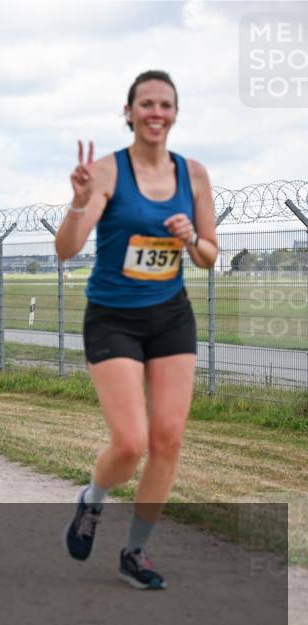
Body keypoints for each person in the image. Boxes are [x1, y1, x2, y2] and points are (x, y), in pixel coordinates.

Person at [56, 71, 218, 590]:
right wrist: (80, 200)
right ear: (128, 112)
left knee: (168, 440)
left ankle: (136, 552)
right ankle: (92, 501)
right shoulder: (106, 172)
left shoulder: (193, 175)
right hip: (113, 317)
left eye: (165, 105)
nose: (156, 113)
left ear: (175, 113)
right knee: (130, 443)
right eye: (145, 104)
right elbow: (67, 249)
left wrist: (192, 237)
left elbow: (210, 257)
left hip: (170, 315)